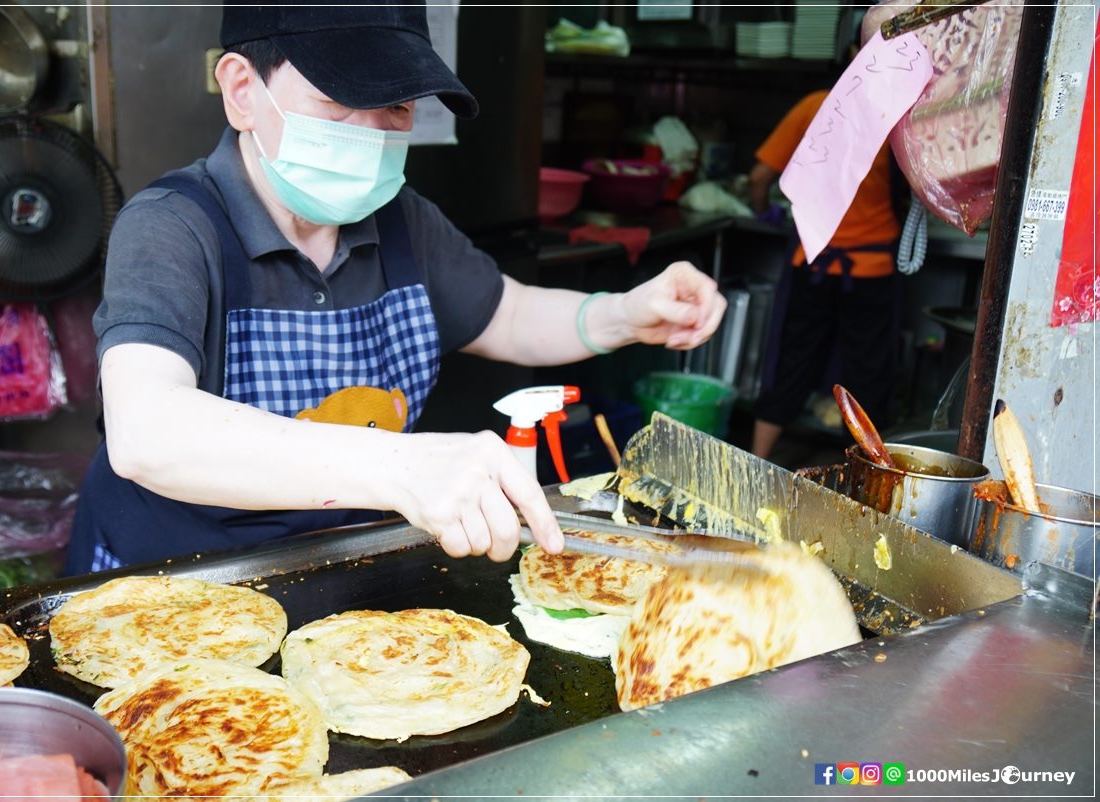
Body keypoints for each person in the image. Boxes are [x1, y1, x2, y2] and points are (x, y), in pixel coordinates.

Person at [65, 1, 727, 575]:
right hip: (173, 592)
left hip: (341, 571)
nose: (375, 133)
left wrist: (624, 314)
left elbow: (508, 311)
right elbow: (147, 430)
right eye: (338, 99)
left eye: (397, 105)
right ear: (243, 90)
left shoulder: (399, 218)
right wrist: (401, 466)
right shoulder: (171, 227)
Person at [747, 87, 903, 461]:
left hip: (814, 264)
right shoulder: (898, 110)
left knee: (792, 364)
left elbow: (758, 177)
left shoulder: (813, 105)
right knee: (866, 377)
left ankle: (756, 459)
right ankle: (868, 476)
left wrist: (762, 210)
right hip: (871, 270)